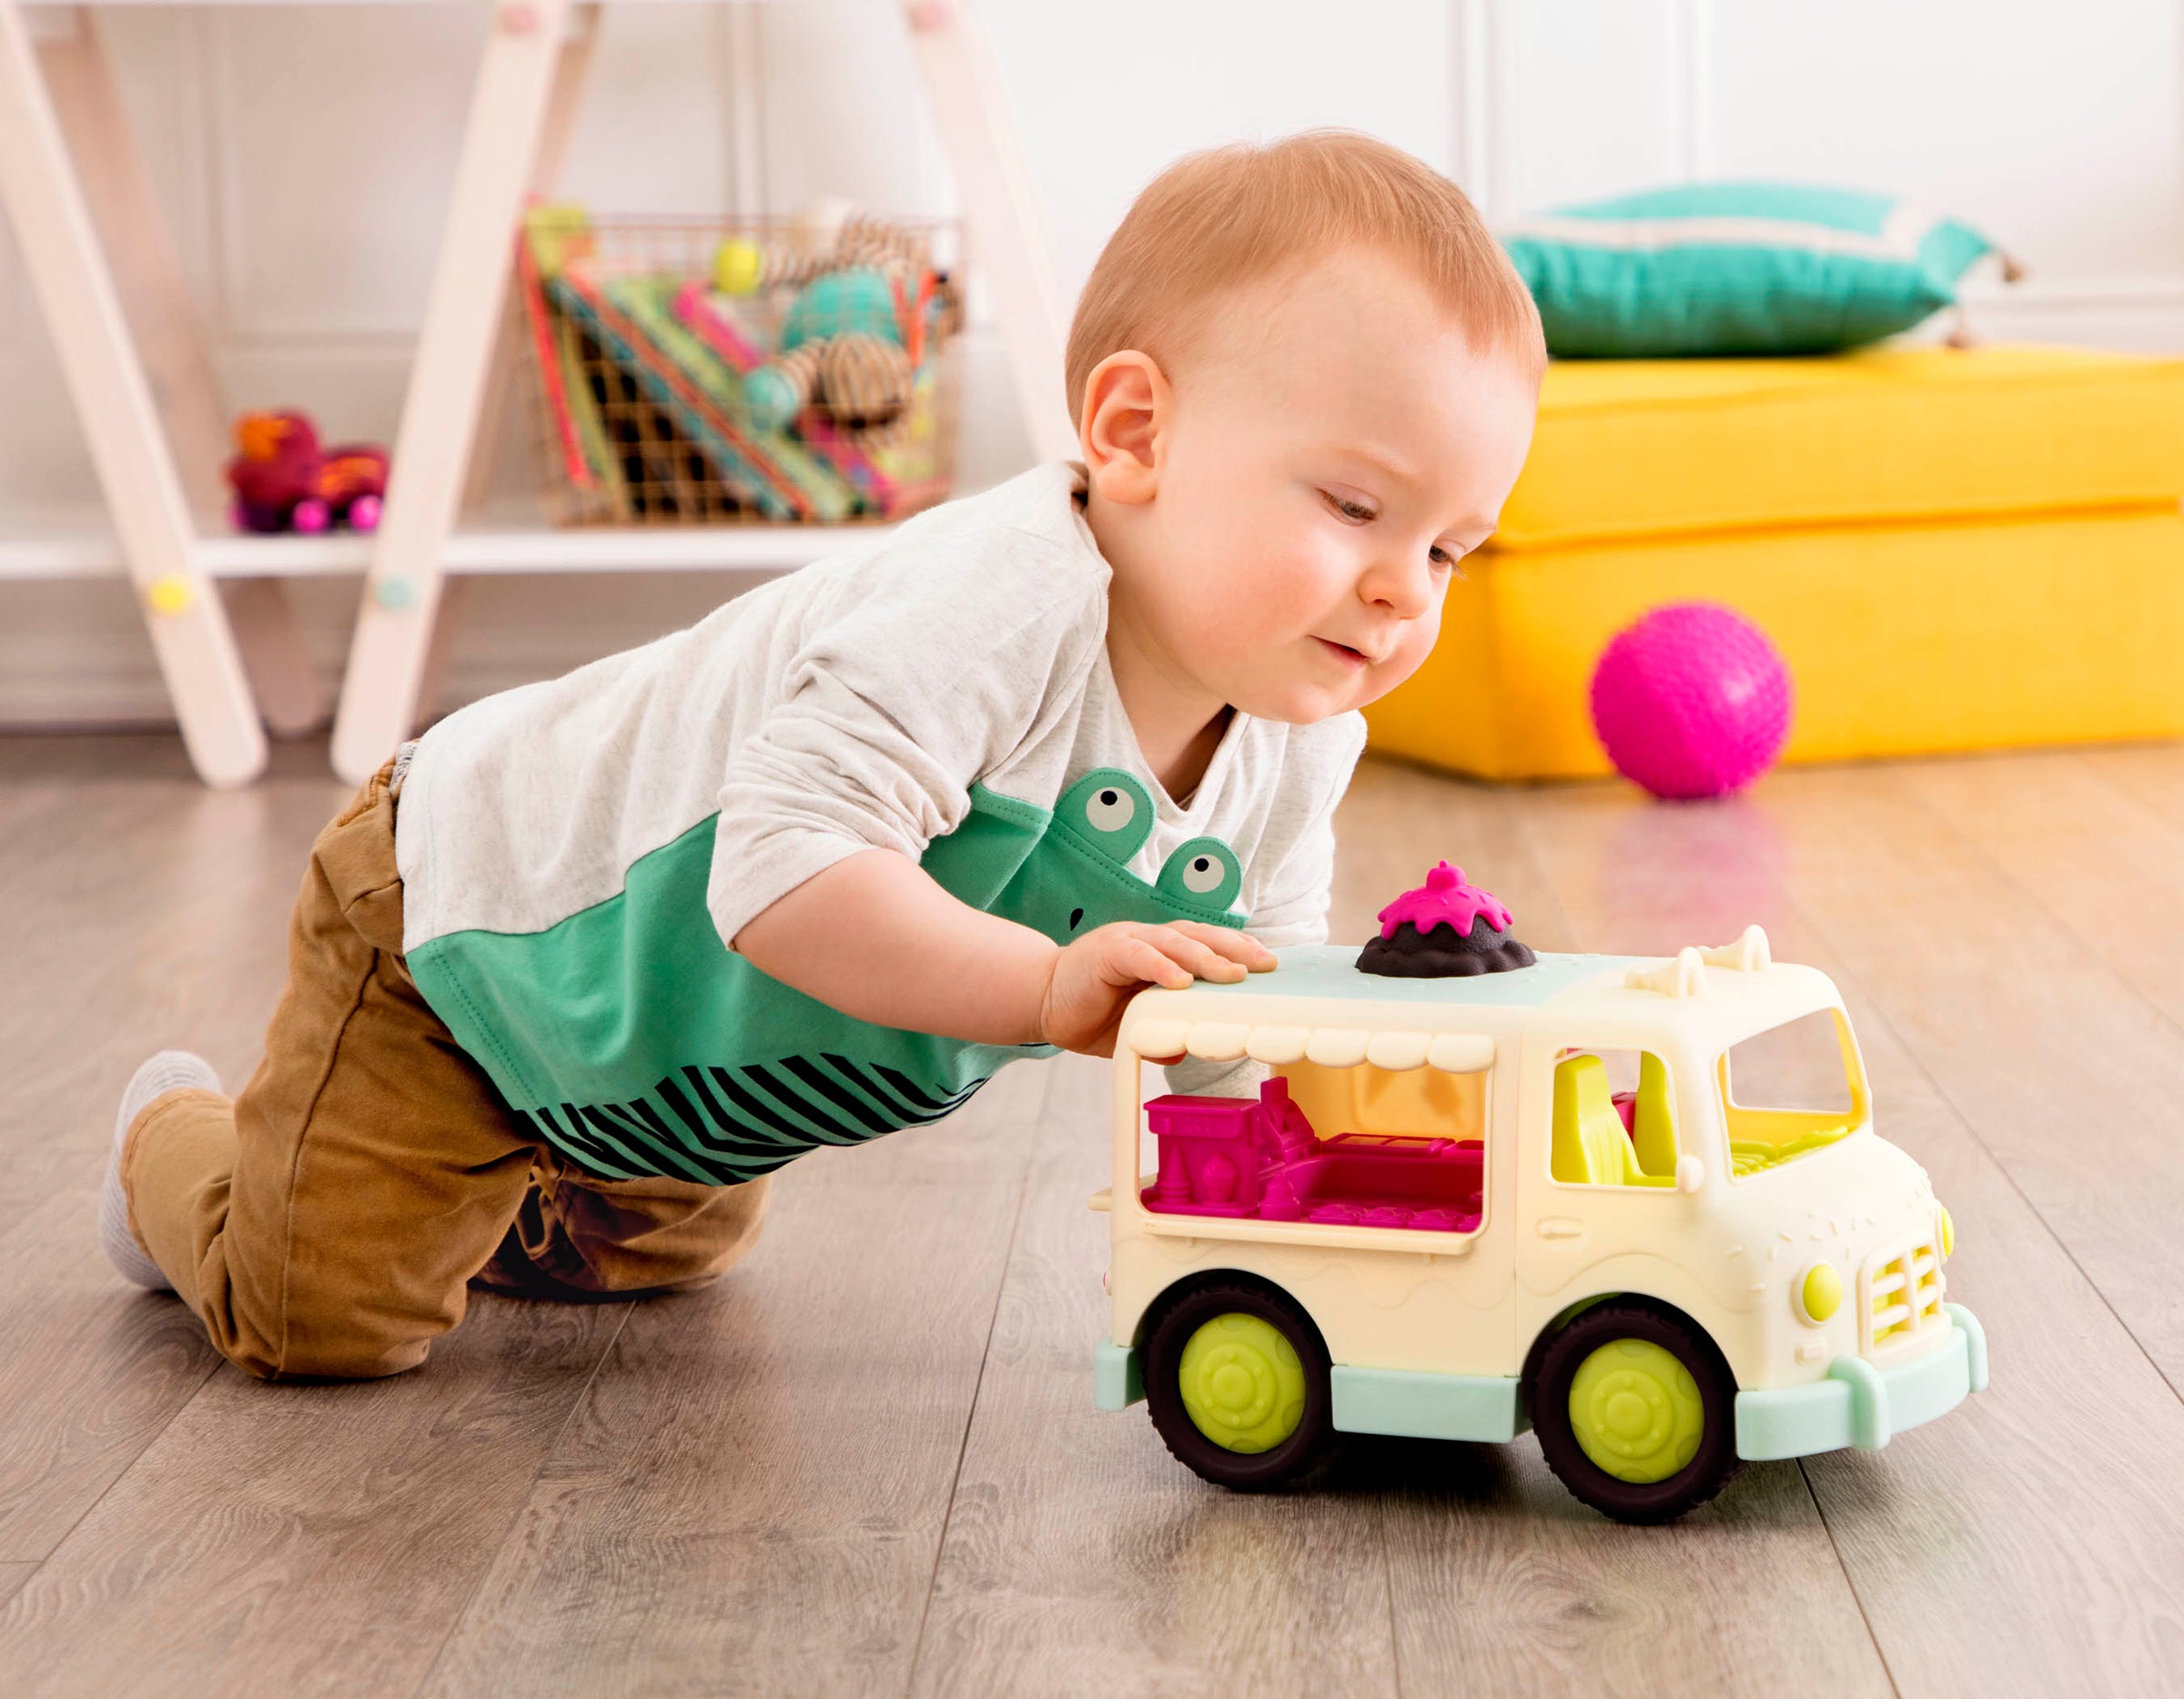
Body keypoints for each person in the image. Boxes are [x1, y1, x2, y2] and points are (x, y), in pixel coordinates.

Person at [98, 129, 1544, 1380]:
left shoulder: (1298, 739)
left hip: (677, 1075)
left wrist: (1319, 1243)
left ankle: (491, 1175)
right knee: (323, 1316)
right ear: (1135, 430)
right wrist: (1044, 990)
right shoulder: (997, 601)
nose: (1407, 589)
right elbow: (782, 871)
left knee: (648, 1264)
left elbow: (1247, 1041)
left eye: (1448, 550)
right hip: (468, 928)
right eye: (1358, 506)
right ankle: (178, 1143)